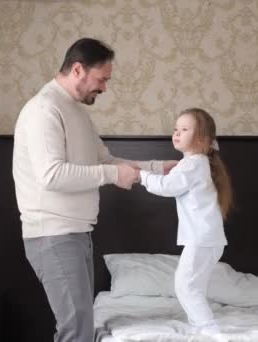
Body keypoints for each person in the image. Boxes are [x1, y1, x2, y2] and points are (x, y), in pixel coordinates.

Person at [12, 37, 177, 342]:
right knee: (76, 330)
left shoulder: (76, 112)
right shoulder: (43, 110)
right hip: (53, 235)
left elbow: (106, 160)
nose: (104, 88)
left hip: (76, 234)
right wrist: (113, 174)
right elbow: (52, 175)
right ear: (78, 70)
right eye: (102, 79)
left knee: (81, 328)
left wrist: (157, 167)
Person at [138, 108, 233, 335]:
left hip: (202, 238)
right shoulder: (196, 163)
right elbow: (175, 180)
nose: (176, 133)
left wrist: (141, 176)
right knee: (195, 286)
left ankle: (209, 329)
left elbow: (166, 187)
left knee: (185, 285)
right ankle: (198, 326)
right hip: (209, 238)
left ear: (201, 138)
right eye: (175, 129)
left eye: (184, 129)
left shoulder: (193, 164)